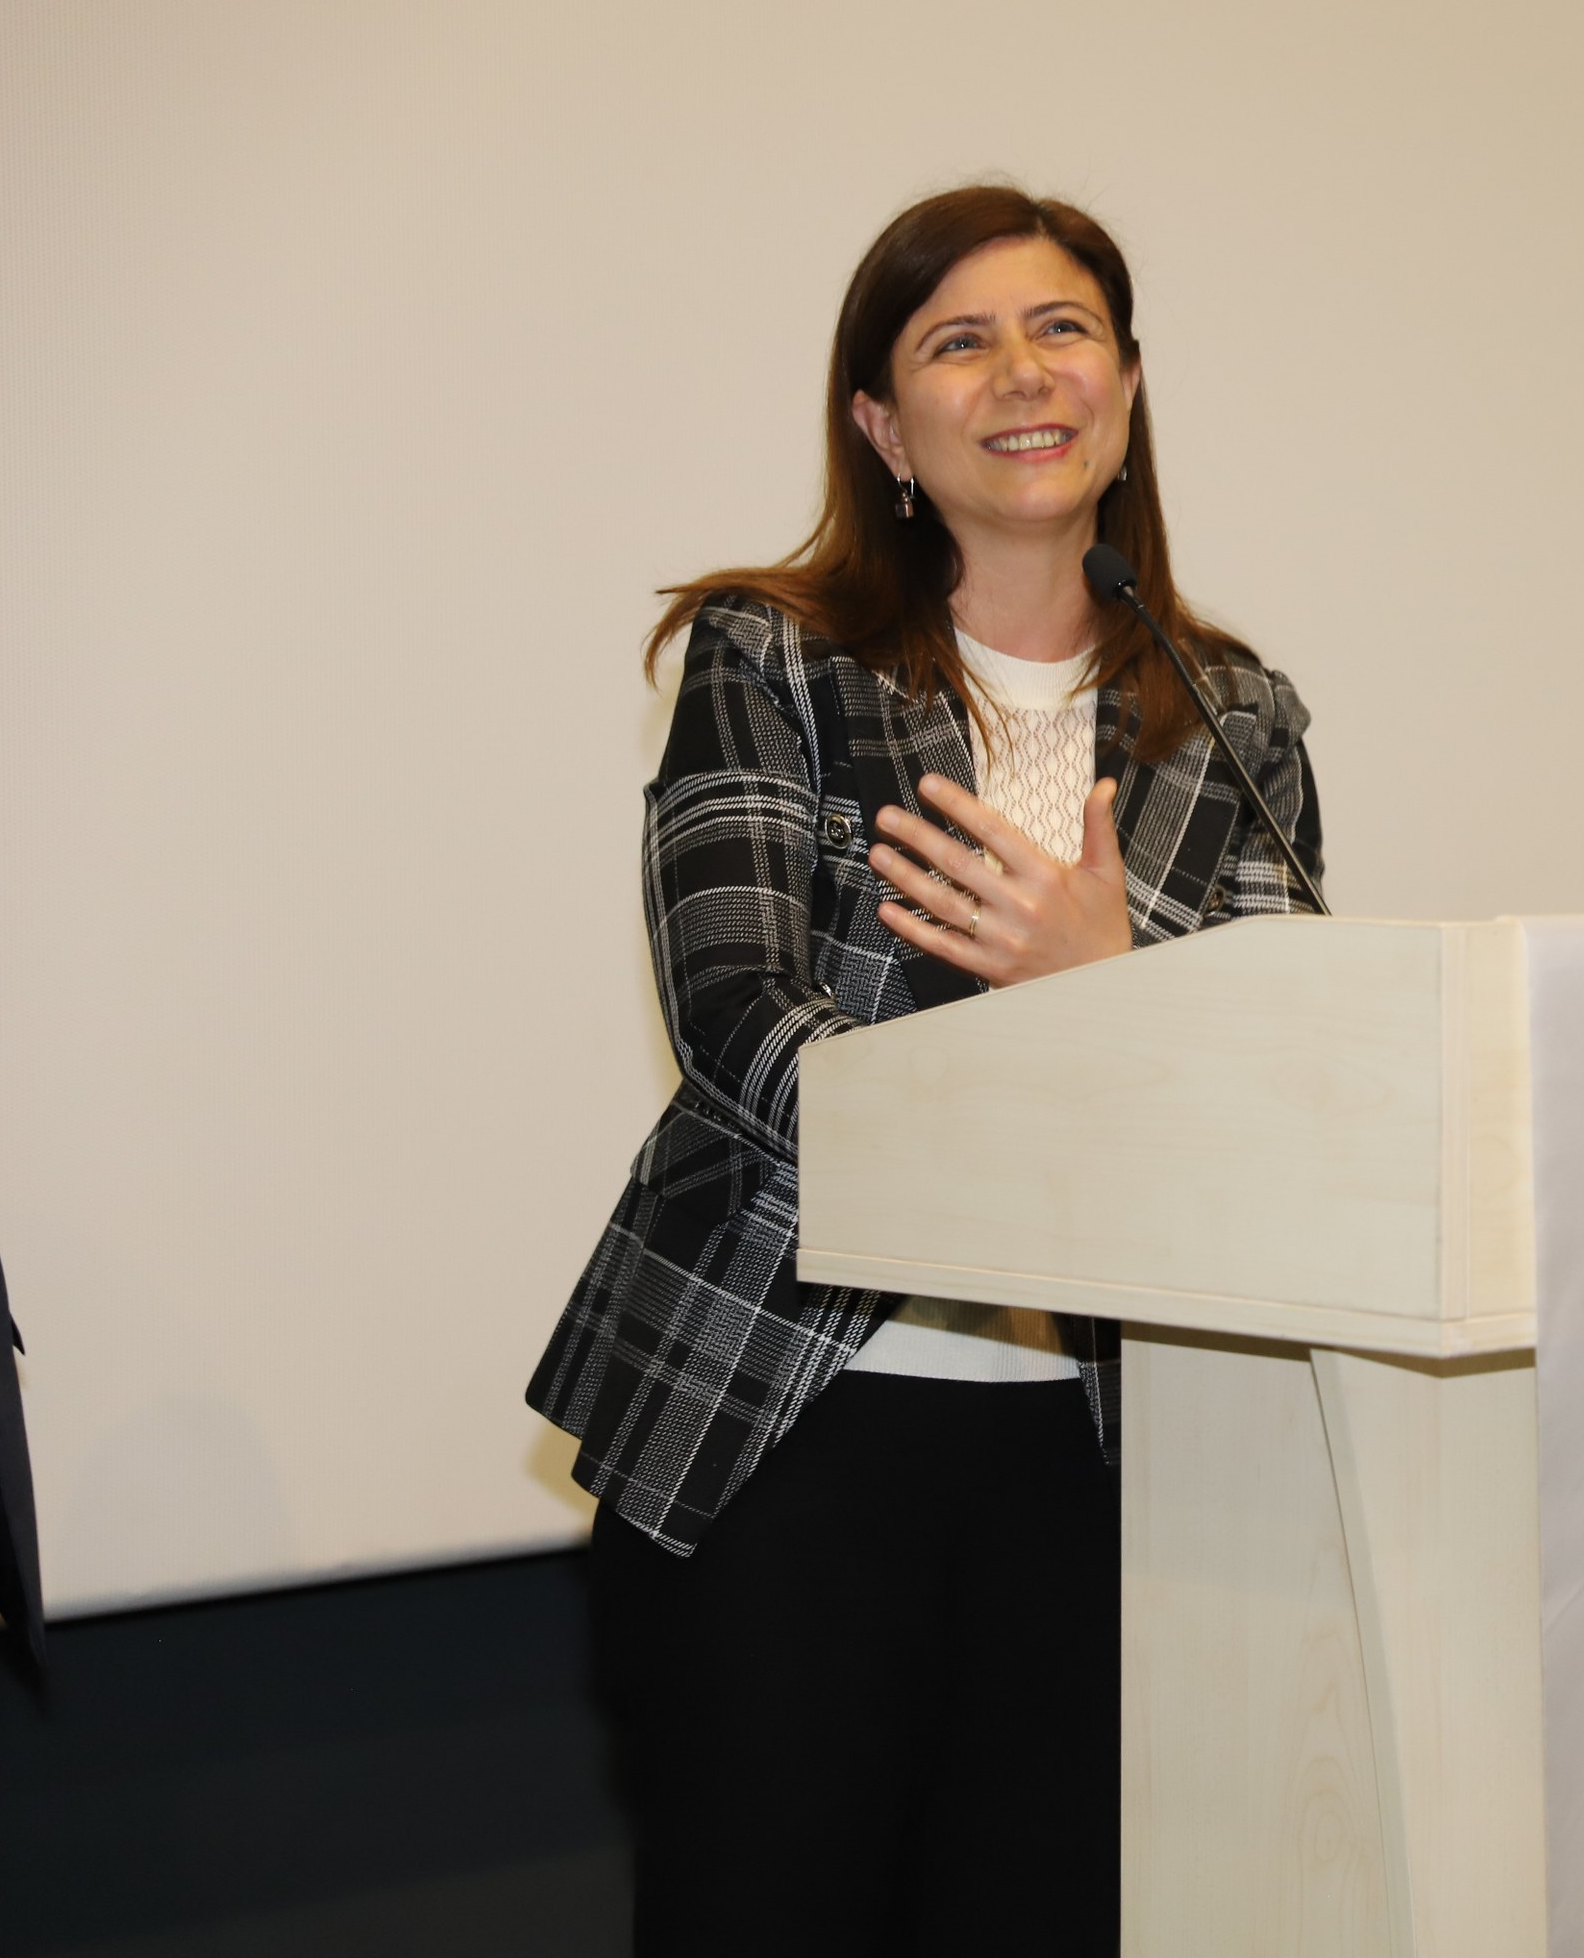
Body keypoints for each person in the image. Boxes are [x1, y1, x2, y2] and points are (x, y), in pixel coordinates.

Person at [525, 184, 1322, 1957]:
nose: (1022, 372)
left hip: (1106, 1457)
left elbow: (1291, 1083)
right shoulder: (773, 655)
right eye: (959, 342)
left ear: (1126, 388)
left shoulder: (1239, 715)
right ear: (885, 428)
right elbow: (738, 1015)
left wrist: (1108, 988)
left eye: (1063, 330)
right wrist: (1075, 1059)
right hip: (790, 1424)